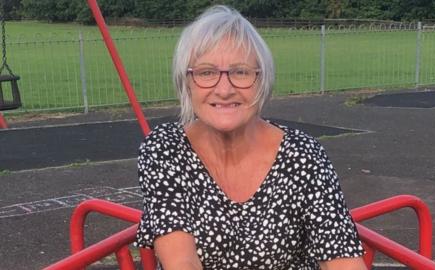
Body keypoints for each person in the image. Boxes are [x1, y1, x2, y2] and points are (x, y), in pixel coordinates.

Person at [134, 5, 366, 270]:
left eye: (240, 72)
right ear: (187, 82)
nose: (224, 89)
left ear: (261, 80)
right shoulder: (165, 149)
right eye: (206, 72)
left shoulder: (303, 155)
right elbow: (180, 260)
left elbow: (341, 257)